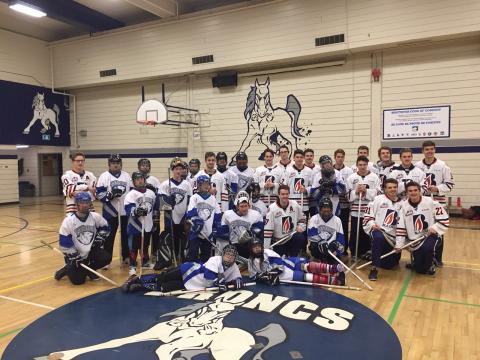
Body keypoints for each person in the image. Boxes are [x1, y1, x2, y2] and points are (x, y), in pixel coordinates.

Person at [122, 244, 246, 293]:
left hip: (191, 284)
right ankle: (135, 279)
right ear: (223, 254)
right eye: (227, 254)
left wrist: (238, 282)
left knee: (164, 288)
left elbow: (238, 278)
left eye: (231, 256)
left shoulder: (234, 266)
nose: (229, 258)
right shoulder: (215, 260)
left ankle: (140, 287)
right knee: (162, 277)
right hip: (188, 271)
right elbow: (209, 281)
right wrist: (221, 284)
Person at [247, 235, 345, 287]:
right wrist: (264, 278)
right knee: (305, 277)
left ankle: (334, 268)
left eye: (258, 246)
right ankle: (336, 281)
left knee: (306, 266)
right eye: (254, 247)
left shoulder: (267, 253)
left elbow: (280, 265)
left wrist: (270, 274)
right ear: (250, 249)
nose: (257, 249)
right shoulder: (250, 261)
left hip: (287, 265)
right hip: (283, 276)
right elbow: (253, 276)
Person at [395, 182, 449, 275]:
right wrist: (399, 244)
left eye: (415, 190)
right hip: (414, 240)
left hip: (430, 236)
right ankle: (419, 264)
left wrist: (434, 228)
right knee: (420, 270)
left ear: (420, 191)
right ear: (407, 193)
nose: (413, 193)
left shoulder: (431, 202)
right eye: (410, 191)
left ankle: (430, 263)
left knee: (427, 248)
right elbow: (401, 227)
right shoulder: (403, 206)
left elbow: (444, 220)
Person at [57, 192, 111, 285]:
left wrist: (100, 237)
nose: (85, 205)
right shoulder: (69, 220)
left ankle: (90, 270)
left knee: (106, 258)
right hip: (76, 255)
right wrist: (73, 254)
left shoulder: (95, 217)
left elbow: (106, 227)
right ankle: (67, 268)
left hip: (90, 251)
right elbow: (64, 241)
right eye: (82, 202)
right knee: (78, 281)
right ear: (77, 204)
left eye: (87, 202)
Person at [415, 140, 454, 267]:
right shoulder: (417, 166)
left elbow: (449, 184)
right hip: (421, 201)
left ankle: (437, 258)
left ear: (435, 150)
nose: (429, 151)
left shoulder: (443, 166)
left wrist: (437, 188)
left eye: (431, 149)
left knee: (437, 229)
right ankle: (418, 258)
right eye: (427, 149)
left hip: (438, 202)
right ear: (422, 151)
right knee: (419, 228)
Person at [363, 178, 402, 281]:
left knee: (389, 265)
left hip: (393, 238)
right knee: (378, 237)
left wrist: (400, 243)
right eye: (389, 187)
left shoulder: (403, 204)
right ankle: (374, 269)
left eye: (394, 187)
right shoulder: (377, 200)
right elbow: (367, 216)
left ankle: (373, 254)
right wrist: (372, 224)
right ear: (384, 189)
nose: (392, 189)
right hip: (379, 232)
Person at [96, 154, 130, 264]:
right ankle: (106, 259)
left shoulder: (126, 176)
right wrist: (110, 195)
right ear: (109, 164)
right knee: (109, 236)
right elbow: (99, 194)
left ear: (121, 164)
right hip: (110, 212)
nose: (115, 165)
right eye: (113, 163)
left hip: (125, 211)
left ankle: (126, 256)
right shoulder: (104, 176)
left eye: (117, 163)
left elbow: (132, 192)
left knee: (126, 235)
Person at [158, 158, 193, 265]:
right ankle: (169, 259)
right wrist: (169, 201)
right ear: (172, 170)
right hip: (170, 216)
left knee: (182, 239)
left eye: (180, 169)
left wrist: (188, 215)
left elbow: (189, 201)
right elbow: (160, 203)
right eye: (176, 169)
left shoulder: (187, 184)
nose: (178, 171)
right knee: (170, 239)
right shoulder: (165, 184)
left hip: (182, 216)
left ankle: (181, 258)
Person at [346, 156, 381, 259]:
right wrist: (356, 192)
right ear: (357, 165)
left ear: (367, 165)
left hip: (369, 211)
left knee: (367, 232)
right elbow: (347, 195)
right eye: (360, 165)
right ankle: (354, 252)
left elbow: (379, 193)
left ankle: (368, 252)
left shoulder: (374, 177)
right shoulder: (352, 178)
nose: (362, 167)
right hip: (356, 211)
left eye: (364, 165)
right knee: (355, 232)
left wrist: (366, 191)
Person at [124, 171, 158, 276]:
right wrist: (136, 211)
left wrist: (155, 219)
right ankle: (133, 265)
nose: (140, 181)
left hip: (148, 224)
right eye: (137, 179)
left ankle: (145, 262)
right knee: (134, 247)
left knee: (145, 245)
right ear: (134, 182)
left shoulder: (151, 193)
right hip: (135, 225)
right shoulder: (131, 194)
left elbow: (155, 207)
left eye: (142, 179)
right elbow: (128, 208)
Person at [185, 175, 222, 262]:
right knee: (192, 257)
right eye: (203, 184)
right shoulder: (194, 198)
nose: (206, 186)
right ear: (198, 185)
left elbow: (217, 215)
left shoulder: (213, 199)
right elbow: (189, 214)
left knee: (206, 259)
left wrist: (215, 229)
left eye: (207, 184)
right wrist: (197, 220)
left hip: (208, 234)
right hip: (196, 232)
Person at [218, 191, 264, 258]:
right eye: (242, 206)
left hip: (248, 246)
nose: (244, 209)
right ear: (237, 206)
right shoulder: (227, 214)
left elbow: (259, 230)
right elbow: (222, 232)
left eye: (246, 206)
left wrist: (251, 234)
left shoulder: (255, 214)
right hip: (233, 246)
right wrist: (233, 237)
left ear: (249, 205)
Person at [264, 185, 306, 256]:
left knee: (300, 237)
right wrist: (266, 249)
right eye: (283, 194)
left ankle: (294, 255)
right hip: (279, 241)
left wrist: (301, 226)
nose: (285, 196)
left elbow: (303, 219)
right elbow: (268, 230)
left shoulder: (295, 205)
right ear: (279, 195)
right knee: (281, 261)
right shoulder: (272, 209)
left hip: (291, 237)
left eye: (287, 194)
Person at [307, 198, 346, 264]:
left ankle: (329, 259)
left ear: (331, 209)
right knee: (313, 245)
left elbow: (341, 237)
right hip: (319, 247)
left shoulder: (337, 220)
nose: (326, 210)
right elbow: (311, 235)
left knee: (335, 265)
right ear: (320, 209)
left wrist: (336, 251)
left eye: (328, 208)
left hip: (331, 248)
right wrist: (322, 243)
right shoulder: (314, 218)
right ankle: (318, 258)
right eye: (324, 208)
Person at [137, 158, 162, 259]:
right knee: (144, 233)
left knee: (155, 231)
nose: (145, 167)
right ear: (139, 167)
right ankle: (144, 253)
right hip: (141, 211)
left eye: (147, 165)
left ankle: (155, 251)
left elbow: (159, 195)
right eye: (143, 165)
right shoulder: (135, 179)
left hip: (153, 210)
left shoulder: (155, 180)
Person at [333, 149, 353, 255]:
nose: (340, 159)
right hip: (332, 204)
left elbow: (349, 187)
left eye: (342, 157)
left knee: (344, 226)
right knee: (333, 226)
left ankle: (343, 248)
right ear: (335, 157)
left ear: (344, 158)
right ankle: (332, 246)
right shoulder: (329, 170)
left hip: (344, 204)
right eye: (338, 157)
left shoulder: (349, 171)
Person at [281, 149, 312, 214]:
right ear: (294, 158)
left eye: (301, 157)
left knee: (303, 223)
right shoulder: (288, 170)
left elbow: (312, 186)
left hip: (304, 204)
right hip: (291, 204)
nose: (299, 159)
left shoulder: (309, 171)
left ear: (303, 158)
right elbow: (283, 186)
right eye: (297, 157)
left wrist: (306, 190)